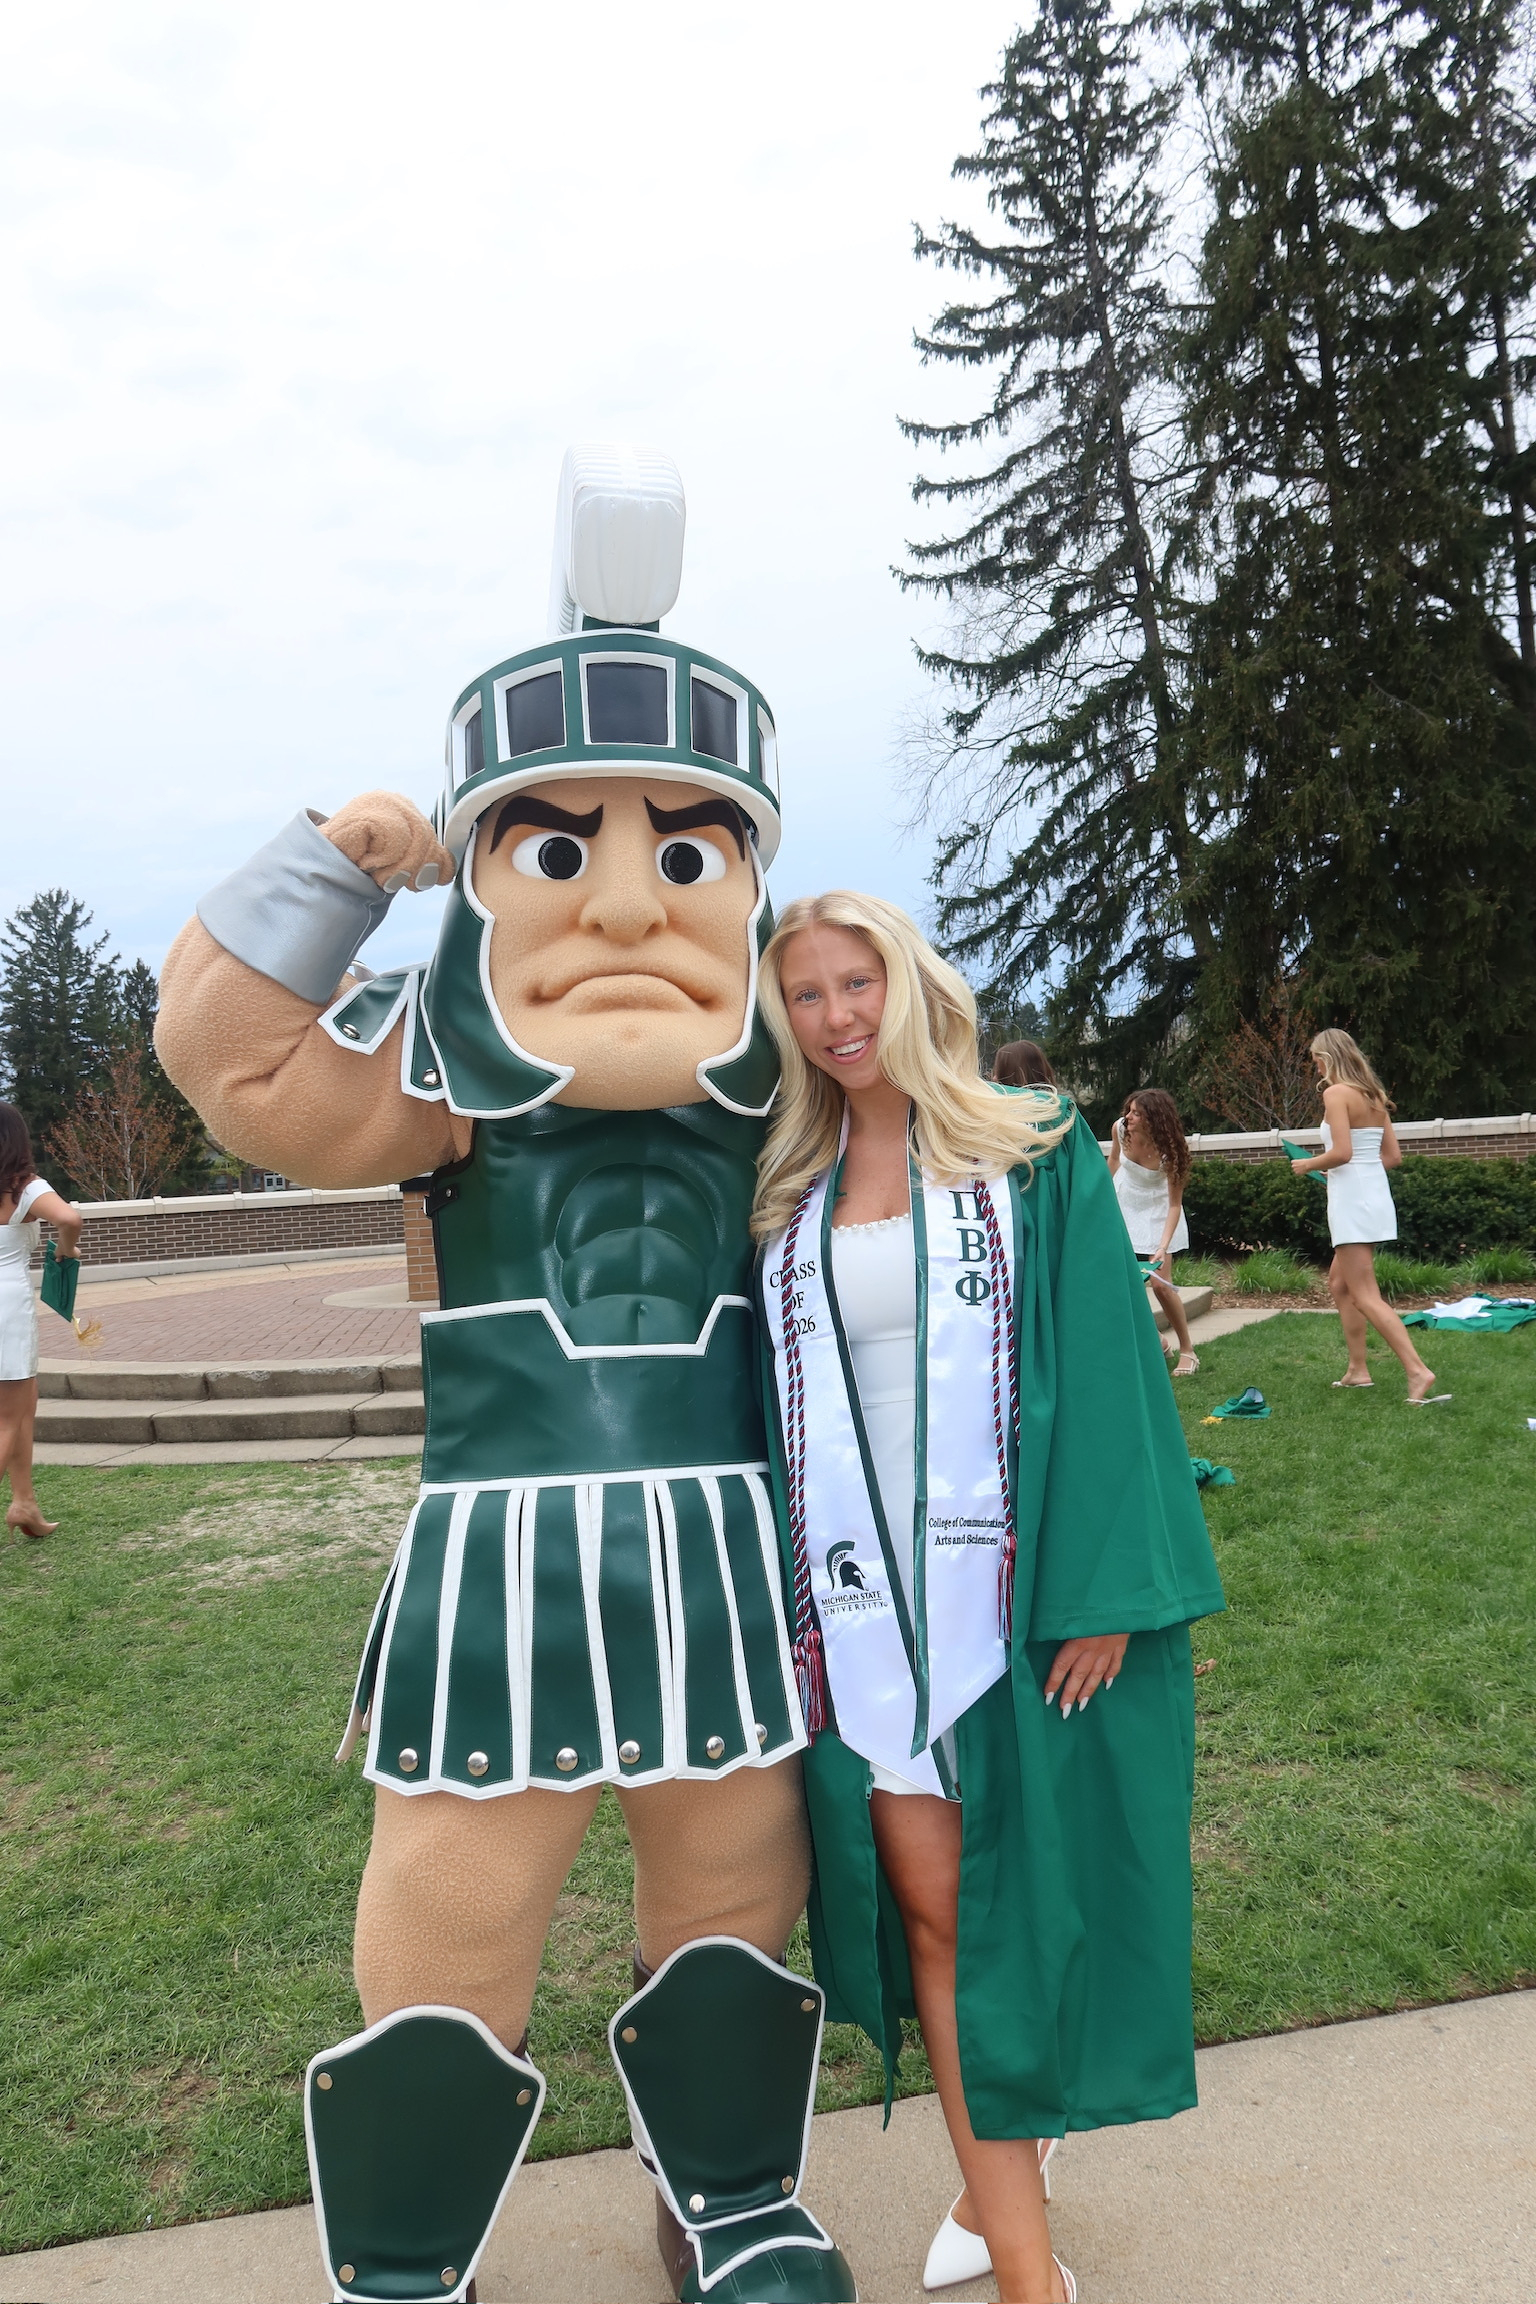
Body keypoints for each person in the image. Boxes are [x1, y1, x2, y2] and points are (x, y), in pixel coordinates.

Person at [154, 447, 855, 2304]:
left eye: (683, 846)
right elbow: (223, 1056)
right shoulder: (433, 1077)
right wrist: (332, 859)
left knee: (733, 1891)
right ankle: (403, 2252)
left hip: (722, 1552)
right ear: (483, 867)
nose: (626, 901)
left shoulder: (786, 1076)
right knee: (458, 1907)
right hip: (505, 1564)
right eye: (562, 844)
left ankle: (725, 2193)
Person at [753, 894, 1225, 2304]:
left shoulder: (1033, 1149)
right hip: (862, 1602)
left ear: (910, 984)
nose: (839, 1017)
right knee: (942, 1915)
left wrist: (1102, 1591)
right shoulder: (788, 1184)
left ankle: (999, 2203)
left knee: (1040, 1896)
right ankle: (1032, 2262)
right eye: (808, 996)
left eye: (858, 982)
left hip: (1010, 1589)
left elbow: (1109, 1372)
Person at [1289, 1029, 1446, 1404]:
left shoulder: (1336, 1094)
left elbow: (1342, 1152)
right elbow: (1392, 1157)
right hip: (1372, 1193)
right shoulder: (1373, 1097)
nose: (1316, 1069)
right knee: (1340, 1284)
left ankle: (1417, 1371)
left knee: (1364, 1294)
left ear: (1327, 1058)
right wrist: (1346, 1168)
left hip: (1351, 1198)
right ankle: (1358, 1371)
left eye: (1316, 1061)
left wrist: (1309, 1163)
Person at [0, 1101, 81, 1539]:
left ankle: (24, 1503)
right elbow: (69, 1217)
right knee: (7, 1420)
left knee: (23, 1408)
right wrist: (66, 1249)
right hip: (5, 1309)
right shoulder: (23, 1186)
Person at [1106, 1089, 1199, 1376]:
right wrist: (1099, 1201)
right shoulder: (1120, 1130)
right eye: (1129, 1110)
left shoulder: (1170, 1149)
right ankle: (1158, 1342)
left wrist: (1162, 1244)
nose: (1129, 1117)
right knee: (1124, 1282)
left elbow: (1174, 1204)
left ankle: (1188, 1350)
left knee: (1160, 1285)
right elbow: (1112, 1163)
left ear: (1154, 1120)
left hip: (1159, 1209)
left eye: (1137, 1113)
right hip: (1125, 1201)